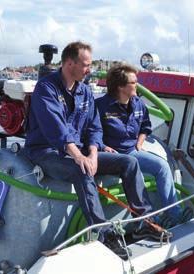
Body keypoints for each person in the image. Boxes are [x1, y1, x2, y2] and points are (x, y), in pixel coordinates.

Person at [24, 42, 169, 260]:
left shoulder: (84, 91)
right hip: (46, 151)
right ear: (69, 63)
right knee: (81, 169)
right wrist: (80, 157)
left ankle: (144, 222)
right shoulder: (47, 89)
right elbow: (57, 129)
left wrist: (92, 153)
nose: (89, 69)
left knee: (129, 163)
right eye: (86, 65)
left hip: (81, 150)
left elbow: (94, 127)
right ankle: (104, 234)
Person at [95, 63, 191, 227]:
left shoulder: (138, 104)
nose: (137, 85)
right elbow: (90, 132)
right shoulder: (100, 106)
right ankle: (150, 221)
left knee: (162, 166)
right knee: (133, 170)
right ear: (120, 86)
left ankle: (174, 215)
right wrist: (103, 147)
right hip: (112, 156)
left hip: (132, 151)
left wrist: (140, 142)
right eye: (133, 82)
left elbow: (146, 126)